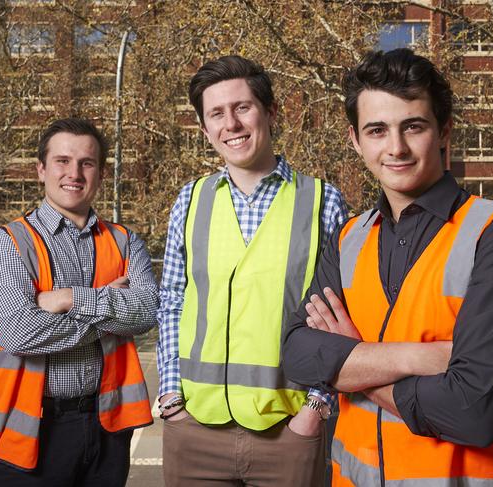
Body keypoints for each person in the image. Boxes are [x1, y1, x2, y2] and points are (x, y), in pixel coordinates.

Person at [282, 48, 493, 487]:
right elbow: (298, 355)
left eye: (412, 126)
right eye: (377, 130)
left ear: (444, 130)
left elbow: (473, 411)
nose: (395, 148)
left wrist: (354, 367)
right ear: (356, 140)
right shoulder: (348, 239)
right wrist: (422, 357)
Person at [156, 55, 348, 486]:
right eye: (217, 114)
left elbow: (342, 312)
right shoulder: (189, 201)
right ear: (205, 130)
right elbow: (170, 300)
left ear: (270, 112)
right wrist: (172, 398)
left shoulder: (323, 201)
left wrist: (314, 411)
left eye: (242, 108)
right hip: (194, 431)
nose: (232, 124)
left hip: (289, 432)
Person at [0, 118, 159, 486]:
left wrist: (67, 299)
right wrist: (110, 313)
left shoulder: (125, 241)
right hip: (30, 430)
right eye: (62, 161)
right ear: (41, 169)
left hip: (108, 428)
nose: (74, 173)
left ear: (100, 173)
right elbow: (19, 333)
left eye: (86, 163)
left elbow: (148, 310)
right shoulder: (7, 243)